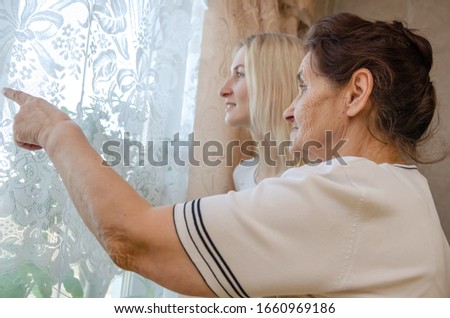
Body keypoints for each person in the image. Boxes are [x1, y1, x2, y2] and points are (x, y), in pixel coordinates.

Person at [4, 12, 450, 297]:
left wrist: (55, 130)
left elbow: (130, 237)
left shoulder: (347, 191)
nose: (291, 109)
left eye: (303, 86)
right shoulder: (405, 191)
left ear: (355, 94)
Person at [219, 33, 304, 190]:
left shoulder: (310, 180)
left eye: (240, 74)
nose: (223, 90)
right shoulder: (242, 175)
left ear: (275, 86)